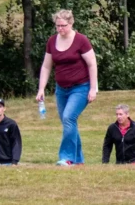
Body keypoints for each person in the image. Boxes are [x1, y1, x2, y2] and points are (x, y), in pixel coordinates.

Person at [36, 9, 97, 166]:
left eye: (63, 25)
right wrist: (41, 88)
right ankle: (79, 160)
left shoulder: (81, 40)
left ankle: (67, 158)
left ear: (71, 23)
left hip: (81, 87)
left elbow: (92, 64)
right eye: (57, 26)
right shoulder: (52, 41)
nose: (60, 29)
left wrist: (93, 88)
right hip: (61, 89)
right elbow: (46, 67)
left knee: (69, 118)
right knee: (68, 122)